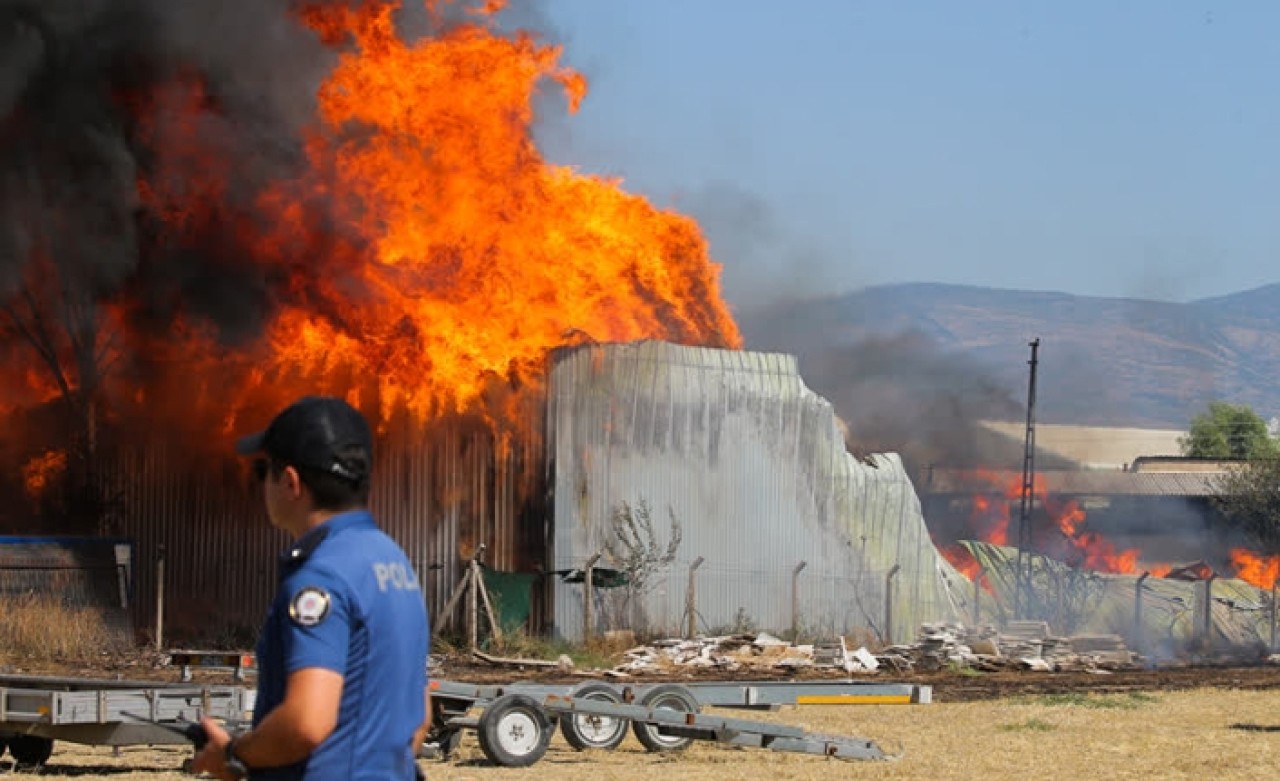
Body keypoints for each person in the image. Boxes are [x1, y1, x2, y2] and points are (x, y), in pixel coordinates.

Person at [193, 396, 431, 781]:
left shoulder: (321, 578)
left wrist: (234, 754)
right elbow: (418, 720)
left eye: (262, 471)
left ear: (290, 482)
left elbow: (307, 721)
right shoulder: (394, 564)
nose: (260, 484)